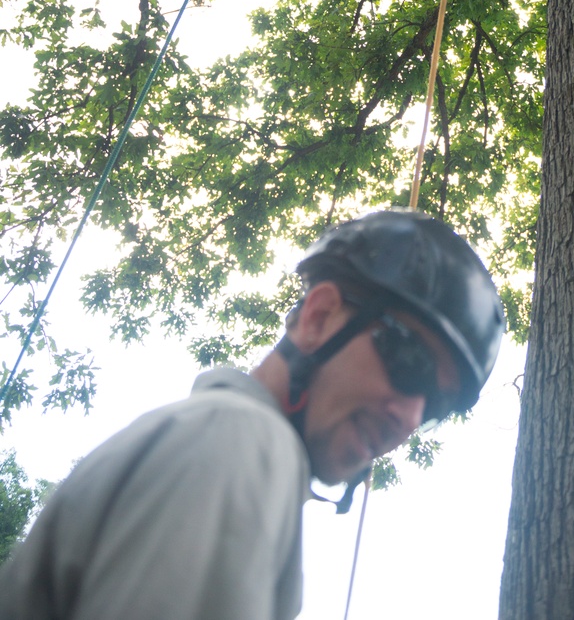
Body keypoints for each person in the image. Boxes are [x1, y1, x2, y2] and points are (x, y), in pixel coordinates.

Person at [0, 209, 504, 620]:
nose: (412, 417)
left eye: (437, 406)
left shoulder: (219, 439)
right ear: (319, 317)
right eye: (410, 363)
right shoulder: (240, 441)